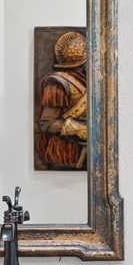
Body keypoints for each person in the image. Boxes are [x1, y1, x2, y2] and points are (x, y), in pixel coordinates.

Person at [35, 31, 87, 170]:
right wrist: (78, 128)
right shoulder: (57, 83)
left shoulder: (85, 80)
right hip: (65, 153)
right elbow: (47, 123)